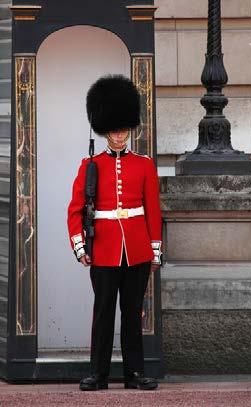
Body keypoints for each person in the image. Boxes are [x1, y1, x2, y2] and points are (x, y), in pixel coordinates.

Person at [67, 75, 162, 391]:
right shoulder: (90, 165)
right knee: (104, 312)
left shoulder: (144, 165)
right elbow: (75, 209)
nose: (120, 133)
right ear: (105, 129)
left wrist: (155, 248)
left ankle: (134, 374)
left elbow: (152, 209)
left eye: (123, 127)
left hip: (136, 248)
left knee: (133, 314)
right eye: (114, 128)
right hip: (105, 248)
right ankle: (99, 373)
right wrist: (81, 246)